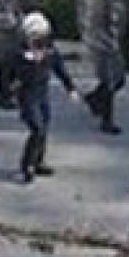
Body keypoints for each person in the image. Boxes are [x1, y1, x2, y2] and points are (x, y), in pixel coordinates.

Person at [10, 12, 79, 183]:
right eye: (34, 36)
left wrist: (70, 88)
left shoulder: (50, 50)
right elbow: (11, 74)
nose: (38, 41)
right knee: (37, 129)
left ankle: (39, 160)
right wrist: (29, 63)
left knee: (44, 127)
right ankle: (26, 166)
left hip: (42, 93)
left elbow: (60, 68)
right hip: (27, 95)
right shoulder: (20, 54)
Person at [81, 0, 129, 134]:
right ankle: (107, 121)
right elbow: (109, 29)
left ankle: (94, 99)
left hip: (106, 46)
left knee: (117, 81)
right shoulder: (101, 7)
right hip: (104, 48)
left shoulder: (105, 4)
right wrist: (113, 46)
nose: (123, 0)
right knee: (111, 82)